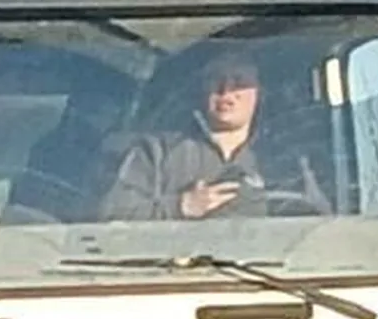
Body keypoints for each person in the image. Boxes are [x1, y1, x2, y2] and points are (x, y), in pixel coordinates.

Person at [101, 49, 328, 223]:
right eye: (216, 80)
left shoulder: (284, 161)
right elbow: (111, 217)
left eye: (239, 82)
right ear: (202, 90)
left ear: (260, 92)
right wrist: (181, 206)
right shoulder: (156, 153)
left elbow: (321, 226)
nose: (226, 92)